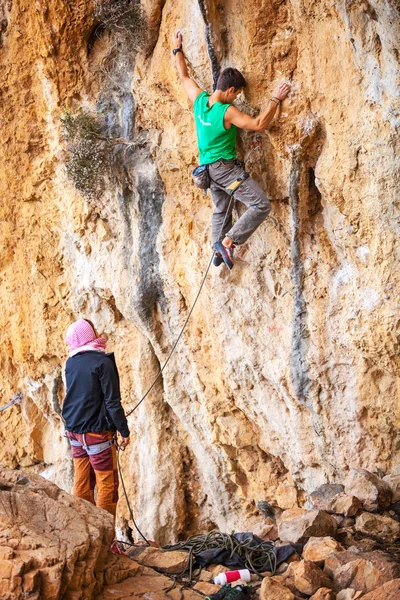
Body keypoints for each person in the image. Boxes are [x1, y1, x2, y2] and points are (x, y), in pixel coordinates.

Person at [172, 30, 291, 269]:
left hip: (207, 171)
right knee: (260, 205)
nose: (237, 98)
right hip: (225, 170)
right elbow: (258, 125)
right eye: (237, 93)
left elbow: (184, 77)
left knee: (221, 209)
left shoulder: (199, 101)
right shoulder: (226, 112)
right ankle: (228, 242)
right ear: (229, 90)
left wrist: (177, 49)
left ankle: (216, 249)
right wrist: (275, 100)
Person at [62, 318, 130, 517]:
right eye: (93, 329)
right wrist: (124, 431)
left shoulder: (71, 362)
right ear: (88, 335)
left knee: (82, 481)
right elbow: (112, 402)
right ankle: (107, 541)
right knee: (107, 484)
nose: (97, 330)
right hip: (97, 433)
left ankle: (85, 530)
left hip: (74, 430)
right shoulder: (102, 362)